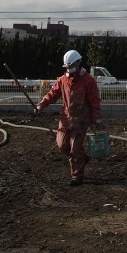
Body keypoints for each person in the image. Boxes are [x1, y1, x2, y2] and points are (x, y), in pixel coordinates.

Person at [34, 50, 102, 186]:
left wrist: (97, 117)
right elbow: (52, 94)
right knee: (62, 145)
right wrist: (41, 105)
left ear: (78, 63)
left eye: (70, 66)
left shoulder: (88, 81)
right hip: (65, 119)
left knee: (75, 149)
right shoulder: (63, 80)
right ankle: (82, 158)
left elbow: (94, 101)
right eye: (67, 67)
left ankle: (76, 176)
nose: (68, 69)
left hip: (81, 120)